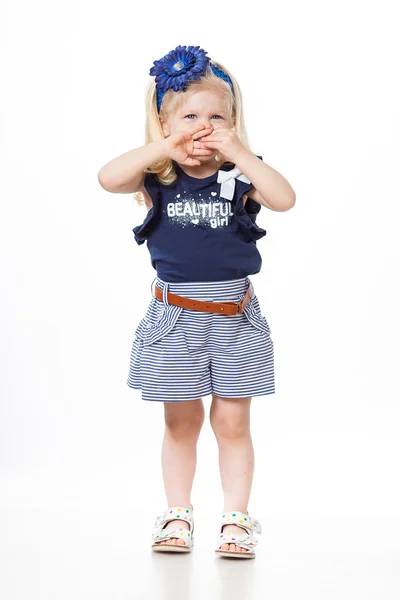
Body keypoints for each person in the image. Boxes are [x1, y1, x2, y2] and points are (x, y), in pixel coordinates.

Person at [98, 45, 295, 558]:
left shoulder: (241, 175)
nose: (203, 127)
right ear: (163, 122)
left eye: (216, 117)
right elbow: (108, 178)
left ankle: (236, 520)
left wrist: (243, 153)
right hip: (174, 316)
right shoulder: (158, 176)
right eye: (189, 117)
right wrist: (165, 147)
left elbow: (285, 198)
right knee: (180, 422)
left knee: (232, 422)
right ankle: (178, 515)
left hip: (235, 316)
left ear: (233, 122)